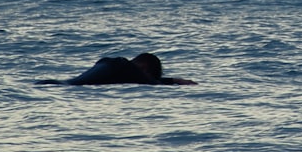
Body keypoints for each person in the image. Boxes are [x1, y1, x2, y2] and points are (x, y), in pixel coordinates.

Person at [35, 53, 197, 86]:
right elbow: (151, 82)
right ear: (144, 68)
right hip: (115, 65)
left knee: (73, 83)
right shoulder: (128, 68)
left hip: (60, 82)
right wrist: (174, 81)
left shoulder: (119, 68)